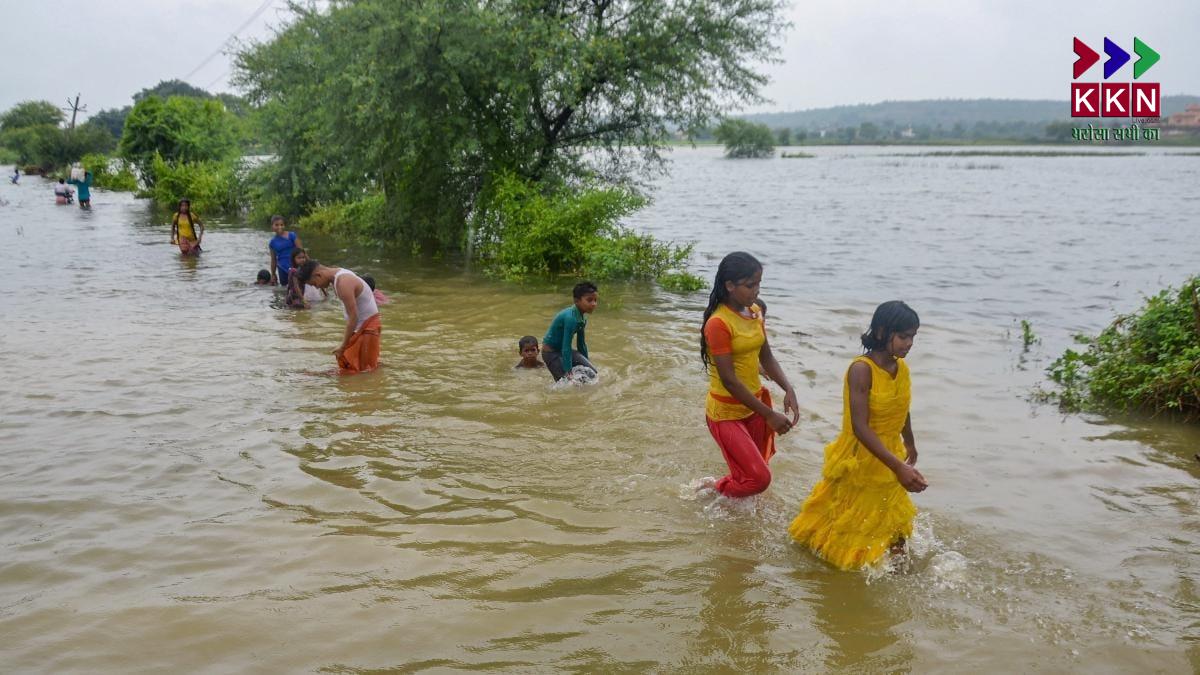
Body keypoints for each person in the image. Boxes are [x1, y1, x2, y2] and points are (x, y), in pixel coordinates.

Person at [788, 301, 927, 571]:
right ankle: (838, 568)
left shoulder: (902, 369)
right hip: (861, 455)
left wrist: (909, 441)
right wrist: (897, 466)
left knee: (891, 516)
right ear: (882, 331)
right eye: (903, 337)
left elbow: (902, 406)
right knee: (850, 519)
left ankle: (898, 570)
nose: (909, 343)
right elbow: (860, 427)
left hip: (890, 451)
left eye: (913, 337)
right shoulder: (861, 369)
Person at [699, 252, 800, 499]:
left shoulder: (755, 311)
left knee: (751, 477)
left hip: (754, 407)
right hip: (725, 413)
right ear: (730, 286)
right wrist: (770, 415)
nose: (756, 291)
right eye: (749, 285)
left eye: (759, 284)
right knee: (759, 479)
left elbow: (766, 356)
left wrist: (788, 388)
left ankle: (731, 506)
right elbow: (729, 380)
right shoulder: (718, 323)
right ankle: (714, 488)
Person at [294, 259, 381, 374]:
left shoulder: (342, 282)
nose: (316, 287)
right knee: (354, 367)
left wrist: (343, 346)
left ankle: (318, 375)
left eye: (314, 284)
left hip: (367, 328)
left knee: (364, 371)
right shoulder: (338, 274)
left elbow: (353, 317)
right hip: (362, 327)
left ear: (318, 275)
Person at [542, 281, 599, 381]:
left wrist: (586, 363)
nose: (594, 304)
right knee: (567, 382)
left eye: (595, 300)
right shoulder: (571, 318)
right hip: (551, 353)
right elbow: (566, 346)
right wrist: (568, 371)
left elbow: (581, 344)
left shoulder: (582, 318)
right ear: (577, 301)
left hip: (564, 350)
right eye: (589, 300)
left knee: (593, 374)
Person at [267, 216, 301, 287]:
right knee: (285, 289)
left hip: (295, 266)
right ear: (272, 227)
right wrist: (273, 274)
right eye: (276, 225)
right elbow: (273, 260)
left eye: (281, 225)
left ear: (284, 225)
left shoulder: (292, 235)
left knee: (299, 286)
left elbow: (301, 250)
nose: (280, 227)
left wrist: (309, 264)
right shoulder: (272, 243)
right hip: (282, 269)